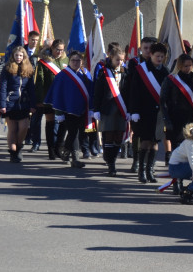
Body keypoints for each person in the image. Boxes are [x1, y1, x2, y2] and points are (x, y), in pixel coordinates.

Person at [126, 41, 169, 184]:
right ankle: (141, 171)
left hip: (158, 113)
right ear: (150, 55)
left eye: (162, 56)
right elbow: (134, 92)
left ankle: (150, 170)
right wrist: (134, 111)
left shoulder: (165, 71)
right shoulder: (141, 70)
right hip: (143, 111)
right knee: (145, 141)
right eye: (157, 56)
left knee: (155, 141)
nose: (159, 59)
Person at [51, 51, 93, 169]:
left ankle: (66, 152)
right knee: (74, 132)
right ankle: (75, 158)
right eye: (73, 60)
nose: (76, 63)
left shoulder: (85, 74)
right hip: (68, 110)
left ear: (82, 61)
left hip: (83, 110)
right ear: (69, 61)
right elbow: (57, 94)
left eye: (78, 60)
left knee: (78, 132)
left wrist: (92, 108)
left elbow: (91, 91)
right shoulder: (63, 75)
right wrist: (59, 113)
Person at [93, 45, 129, 176]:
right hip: (107, 109)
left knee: (119, 136)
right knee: (108, 136)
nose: (120, 62)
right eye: (117, 60)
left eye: (122, 60)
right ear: (111, 58)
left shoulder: (125, 72)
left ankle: (113, 158)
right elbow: (98, 92)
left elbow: (128, 92)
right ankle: (111, 163)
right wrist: (96, 109)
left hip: (121, 109)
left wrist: (129, 110)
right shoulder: (104, 72)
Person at [0, 45, 37, 163]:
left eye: (21, 55)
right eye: (16, 55)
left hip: (24, 104)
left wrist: (33, 104)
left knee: (24, 127)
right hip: (11, 104)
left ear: (24, 56)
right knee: (12, 129)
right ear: (13, 56)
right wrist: (3, 104)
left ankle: (19, 146)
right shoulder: (7, 69)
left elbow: (31, 88)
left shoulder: (29, 70)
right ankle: (13, 152)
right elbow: (3, 88)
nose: (18, 57)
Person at [32, 39, 67, 158]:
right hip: (49, 97)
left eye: (62, 50)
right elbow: (40, 81)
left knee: (63, 123)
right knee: (51, 123)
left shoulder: (66, 60)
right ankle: (51, 149)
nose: (60, 52)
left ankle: (59, 147)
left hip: (63, 98)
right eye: (57, 49)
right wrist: (40, 99)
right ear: (52, 48)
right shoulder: (43, 62)